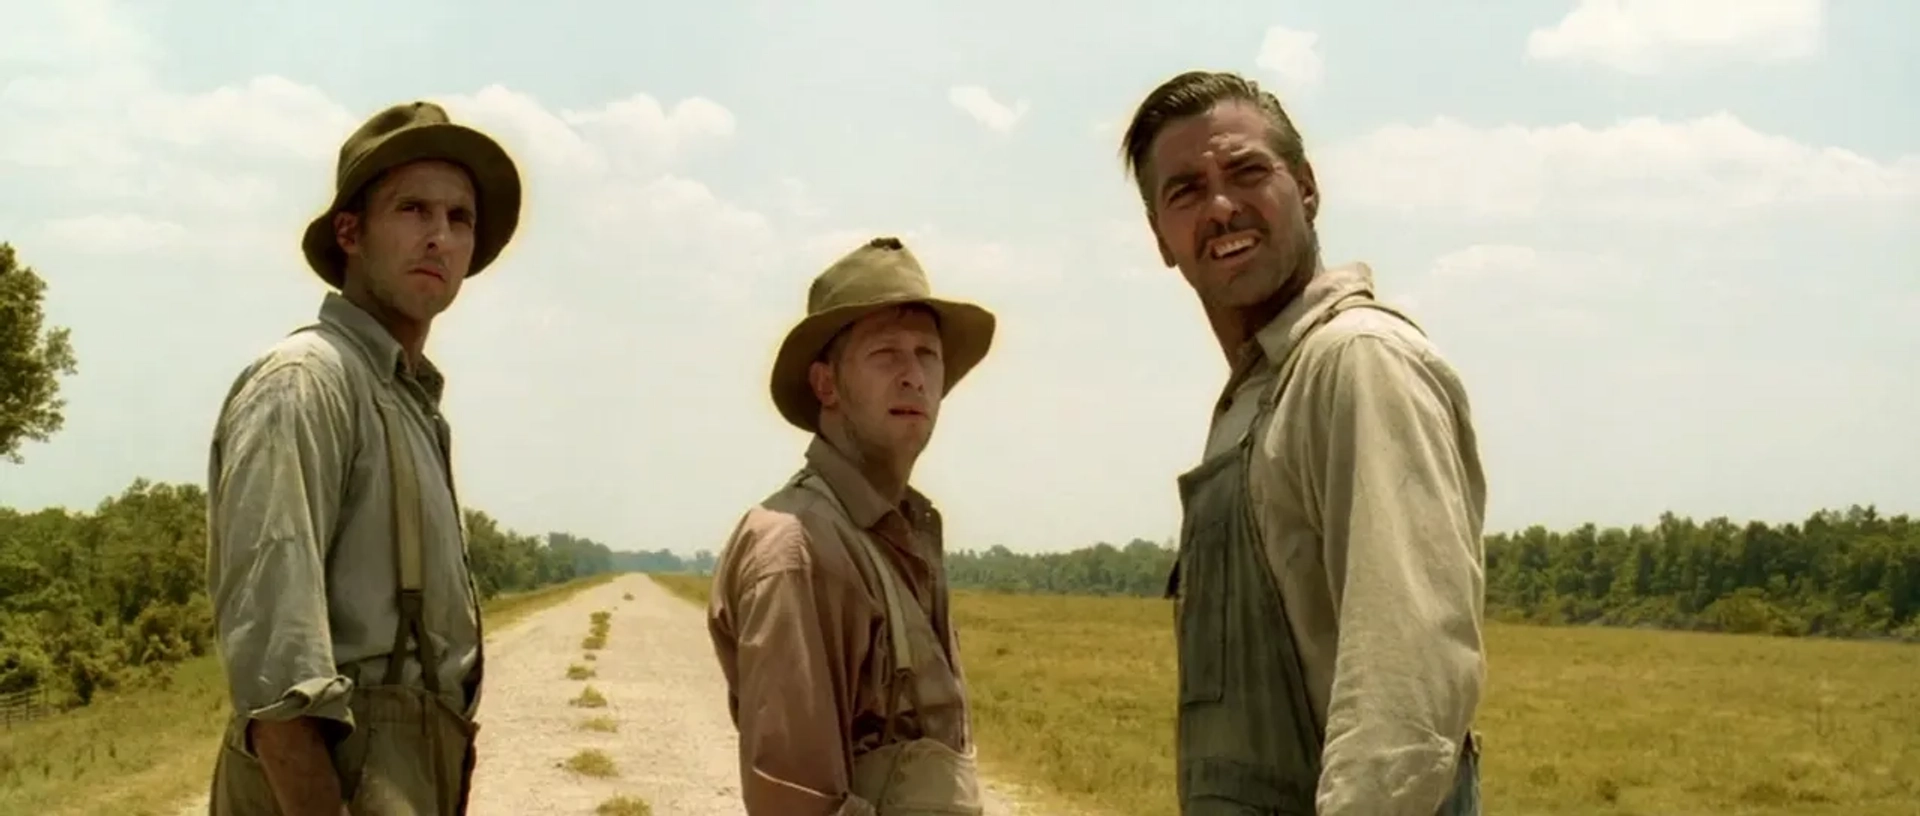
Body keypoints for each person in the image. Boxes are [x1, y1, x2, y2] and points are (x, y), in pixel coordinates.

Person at [1118, 70, 1487, 815]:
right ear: (1161, 236)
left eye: (1248, 171)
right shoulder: (1257, 395)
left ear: (1308, 188)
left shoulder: (1355, 361)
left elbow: (1405, 691)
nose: (1221, 207)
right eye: (1184, 191)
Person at [204, 100, 523, 816]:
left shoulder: (407, 400)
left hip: (411, 766)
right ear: (350, 231)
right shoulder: (308, 381)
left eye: (459, 218)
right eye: (413, 210)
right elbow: (275, 665)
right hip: (328, 777)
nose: (439, 237)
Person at [705, 236, 997, 816]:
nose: (914, 376)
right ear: (826, 386)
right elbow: (795, 801)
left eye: (927, 354)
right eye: (886, 353)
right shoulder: (799, 546)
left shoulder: (896, 530)